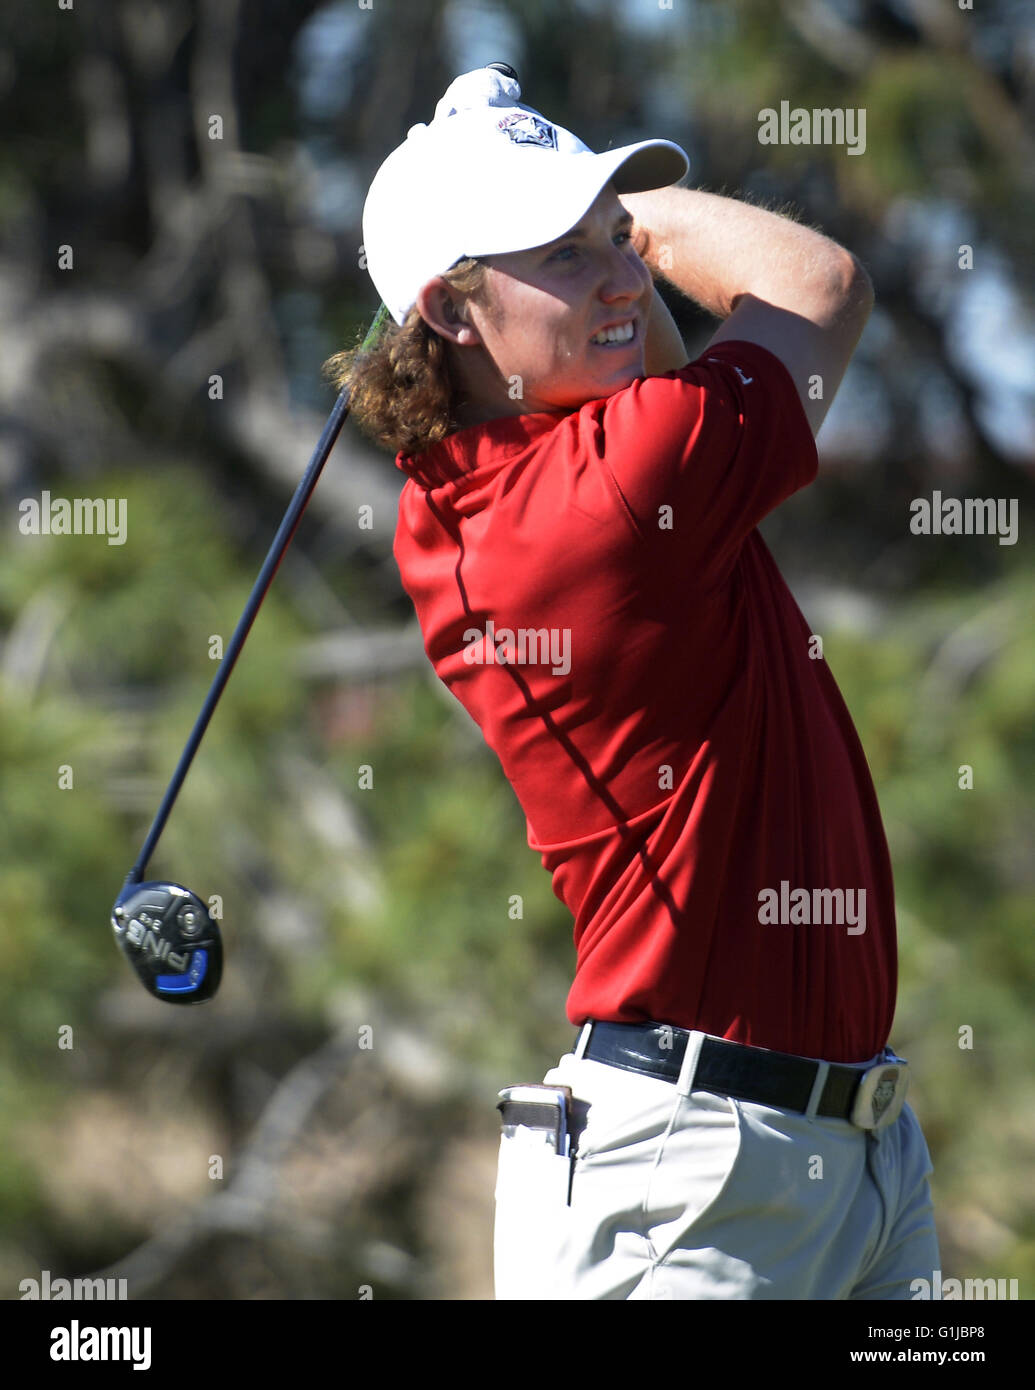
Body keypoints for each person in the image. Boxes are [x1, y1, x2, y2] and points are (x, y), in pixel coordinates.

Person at [330, 64, 940, 1300]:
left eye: (615, 237)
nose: (619, 274)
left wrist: (583, 232)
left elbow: (635, 356)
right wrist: (643, 220)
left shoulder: (466, 504)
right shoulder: (613, 491)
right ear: (450, 310)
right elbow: (819, 286)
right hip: (698, 1184)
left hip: (845, 1154)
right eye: (560, 252)